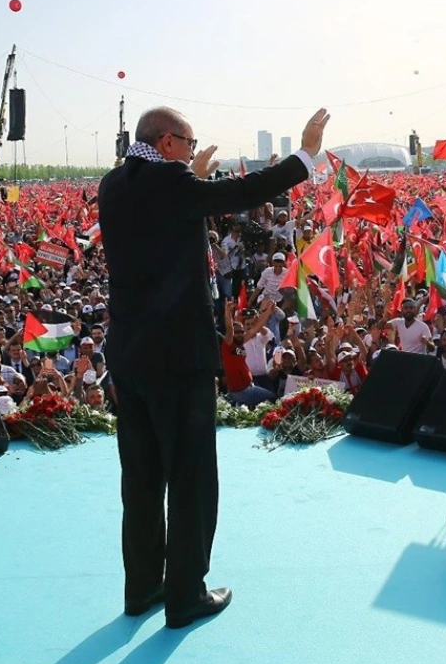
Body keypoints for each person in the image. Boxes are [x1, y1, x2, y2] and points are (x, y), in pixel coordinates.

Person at [98, 105, 329, 628]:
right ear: (166, 142)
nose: (192, 147)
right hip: (177, 359)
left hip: (128, 358)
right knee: (191, 477)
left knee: (140, 478)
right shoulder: (173, 183)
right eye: (188, 140)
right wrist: (305, 154)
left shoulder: (114, 184)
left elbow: (161, 205)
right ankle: (185, 595)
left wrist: (192, 176)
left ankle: (142, 589)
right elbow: (242, 193)